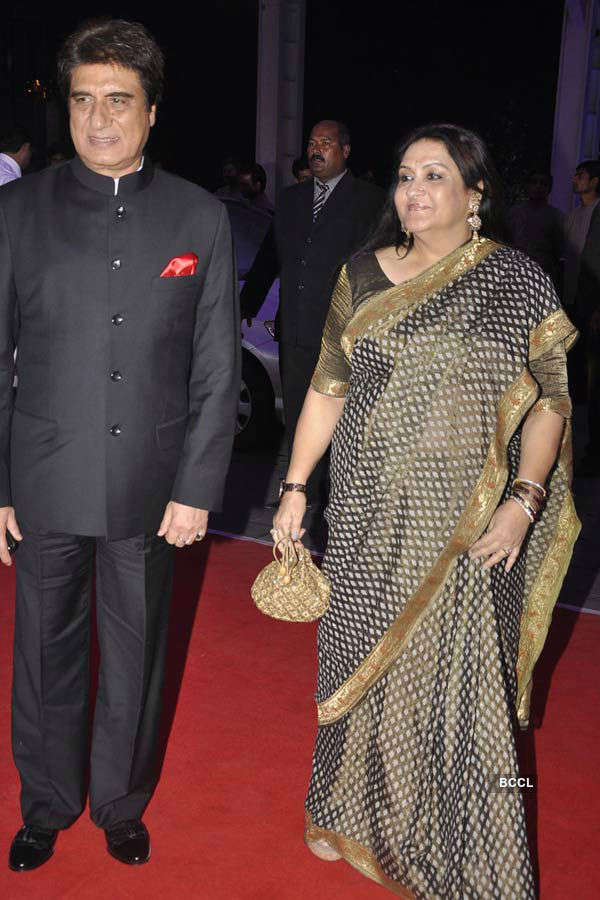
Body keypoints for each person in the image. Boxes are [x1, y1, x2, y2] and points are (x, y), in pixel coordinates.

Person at [272, 123, 580, 898]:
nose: (412, 190)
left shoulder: (515, 281)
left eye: (434, 175)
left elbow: (550, 403)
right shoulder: (362, 275)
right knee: (358, 662)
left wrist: (523, 501)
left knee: (448, 681)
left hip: (467, 520)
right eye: (405, 175)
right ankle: (346, 811)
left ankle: (447, 844)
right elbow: (326, 387)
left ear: (474, 196)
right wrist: (297, 488)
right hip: (370, 509)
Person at [0, 18, 239, 872]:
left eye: (119, 101)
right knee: (42, 653)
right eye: (83, 100)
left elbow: (217, 368)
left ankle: (121, 804)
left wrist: (197, 485)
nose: (99, 119)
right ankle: (47, 803)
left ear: (151, 110)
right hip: (43, 476)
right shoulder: (15, 210)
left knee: (137, 654)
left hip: (151, 481)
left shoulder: (198, 217)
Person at [241, 120, 385, 505]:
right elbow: (269, 258)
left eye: (326, 142)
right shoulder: (291, 200)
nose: (316, 149)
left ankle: (338, 497)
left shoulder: (370, 201)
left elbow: (383, 268)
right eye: (311, 143)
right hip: (296, 331)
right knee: (298, 413)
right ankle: (303, 489)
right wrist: (244, 306)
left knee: (339, 419)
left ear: (346, 150)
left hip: (344, 334)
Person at [565, 160, 600, 475]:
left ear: (595, 180)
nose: (575, 179)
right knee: (576, 374)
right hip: (573, 303)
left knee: (593, 376)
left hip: (593, 308)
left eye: (581, 175)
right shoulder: (574, 215)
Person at [508, 169, 563, 289]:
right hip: (515, 273)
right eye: (534, 182)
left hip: (543, 273)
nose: (538, 186)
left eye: (543, 183)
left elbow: (558, 250)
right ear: (527, 185)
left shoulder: (555, 216)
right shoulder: (514, 212)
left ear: (549, 189)